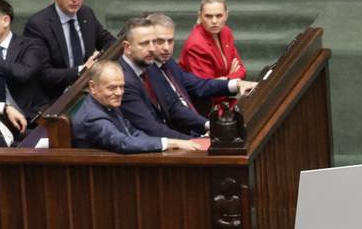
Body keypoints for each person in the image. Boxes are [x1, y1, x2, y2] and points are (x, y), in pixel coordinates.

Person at [146, 13, 256, 133]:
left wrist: (237, 84)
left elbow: (198, 85)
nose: (166, 47)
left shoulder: (169, 63)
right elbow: (174, 109)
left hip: (195, 128)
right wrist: (208, 125)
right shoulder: (147, 73)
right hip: (179, 136)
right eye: (160, 41)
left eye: (170, 41)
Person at [72, 61, 200, 154]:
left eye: (121, 87)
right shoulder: (93, 117)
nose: (119, 93)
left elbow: (132, 132)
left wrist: (169, 142)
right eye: (112, 88)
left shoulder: (107, 104)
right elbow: (123, 142)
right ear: (93, 87)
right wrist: (171, 143)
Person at [23, 0, 117, 101]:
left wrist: (99, 58)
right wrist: (83, 69)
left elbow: (110, 42)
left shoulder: (86, 13)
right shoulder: (38, 25)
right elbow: (43, 74)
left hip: (90, 90)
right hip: (57, 98)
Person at [118, 17, 197, 141]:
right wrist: (191, 141)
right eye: (144, 43)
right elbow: (151, 129)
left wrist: (207, 125)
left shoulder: (148, 66)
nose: (152, 49)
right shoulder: (122, 80)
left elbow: (172, 105)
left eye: (154, 42)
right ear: (127, 47)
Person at [180, 0, 249, 111]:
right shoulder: (196, 45)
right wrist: (231, 79)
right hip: (207, 110)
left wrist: (224, 80)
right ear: (200, 16)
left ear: (226, 15)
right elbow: (208, 91)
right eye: (208, 16)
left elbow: (242, 70)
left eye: (219, 15)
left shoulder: (226, 32)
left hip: (227, 101)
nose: (214, 21)